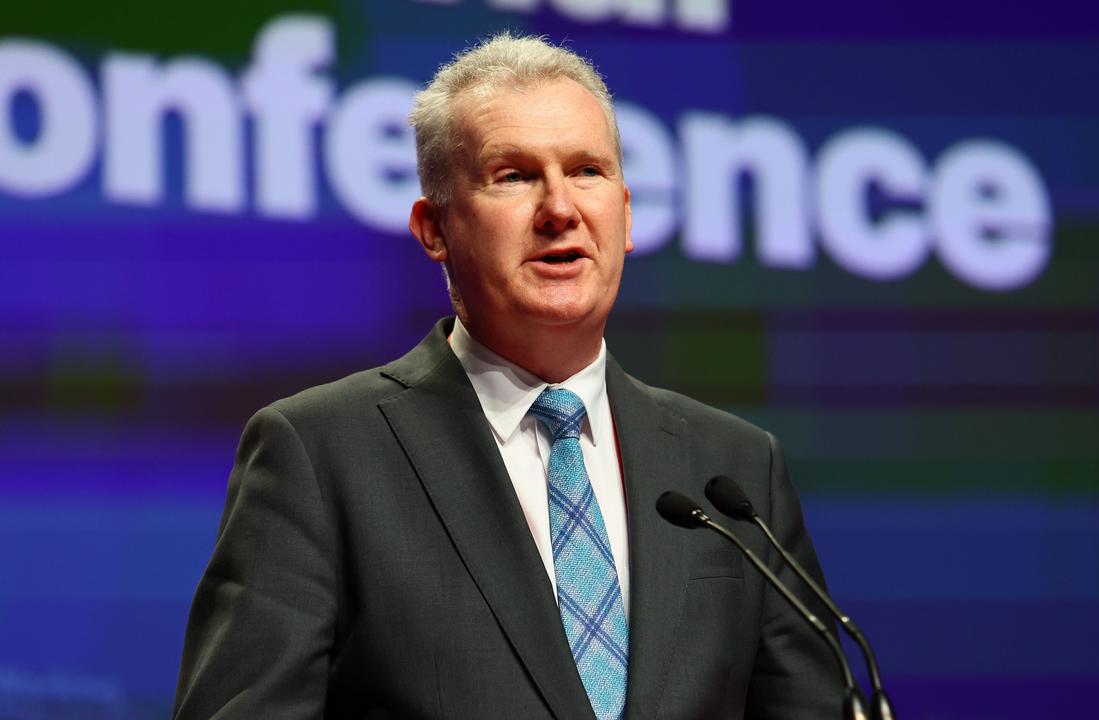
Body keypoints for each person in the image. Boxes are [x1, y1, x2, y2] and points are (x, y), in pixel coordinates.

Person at [174, 33, 842, 719]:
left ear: (627, 214)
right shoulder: (321, 454)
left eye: (587, 171)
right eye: (515, 176)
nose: (560, 209)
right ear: (434, 229)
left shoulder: (731, 470)